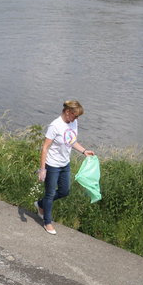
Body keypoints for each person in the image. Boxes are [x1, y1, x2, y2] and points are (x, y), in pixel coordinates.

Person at [35, 100, 94, 235]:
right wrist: (42, 169)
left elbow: (71, 140)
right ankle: (47, 222)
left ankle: (40, 204)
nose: (77, 118)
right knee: (50, 194)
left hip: (64, 164)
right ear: (68, 112)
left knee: (64, 191)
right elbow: (45, 148)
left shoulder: (73, 122)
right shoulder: (55, 126)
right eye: (75, 115)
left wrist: (84, 151)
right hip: (52, 165)